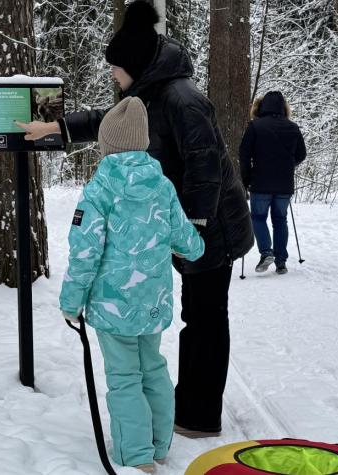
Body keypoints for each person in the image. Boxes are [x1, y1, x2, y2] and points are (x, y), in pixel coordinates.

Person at [20, 0, 253, 440]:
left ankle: (199, 416)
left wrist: (193, 228)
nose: (111, 73)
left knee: (204, 319)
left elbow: (206, 167)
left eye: (115, 67)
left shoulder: (184, 100)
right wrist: (56, 128)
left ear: (136, 65)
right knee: (197, 317)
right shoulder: (148, 94)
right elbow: (106, 123)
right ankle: (184, 406)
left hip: (214, 227)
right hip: (187, 221)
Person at [58, 96, 204, 473]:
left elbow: (84, 252)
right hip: (151, 302)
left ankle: (136, 456)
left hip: (112, 307)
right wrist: (196, 245)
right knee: (152, 368)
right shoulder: (162, 186)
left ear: (107, 144)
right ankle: (158, 446)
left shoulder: (99, 190)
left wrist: (71, 301)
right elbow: (188, 241)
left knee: (124, 378)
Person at [238, 91, 306, 275]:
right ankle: (281, 261)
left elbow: (244, 155)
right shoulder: (293, 128)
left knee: (258, 218)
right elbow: (301, 154)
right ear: (284, 108)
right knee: (280, 219)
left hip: (260, 182)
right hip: (284, 184)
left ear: (260, 107)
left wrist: (246, 178)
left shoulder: (255, 127)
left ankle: (266, 252)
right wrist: (287, 166)